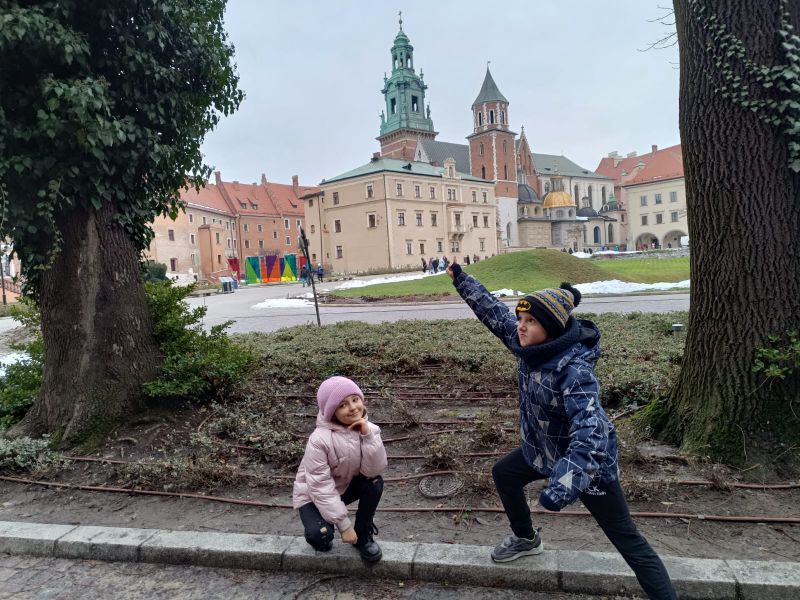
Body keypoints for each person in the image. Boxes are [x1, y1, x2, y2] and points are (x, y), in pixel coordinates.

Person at [445, 264, 677, 600]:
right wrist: (462, 280)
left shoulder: (574, 372)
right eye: (520, 318)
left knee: (628, 539)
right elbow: (493, 313)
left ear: (551, 328)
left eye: (530, 321)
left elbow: (591, 434)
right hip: (543, 451)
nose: (520, 326)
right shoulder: (528, 346)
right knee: (504, 474)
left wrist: (564, 484)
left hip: (587, 470)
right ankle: (527, 539)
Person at [292, 376, 387, 562]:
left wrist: (367, 436)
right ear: (332, 412)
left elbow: (373, 470)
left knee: (375, 482)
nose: (352, 407)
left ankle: (363, 535)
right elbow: (320, 486)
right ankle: (321, 528)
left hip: (342, 487)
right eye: (343, 405)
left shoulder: (369, 429)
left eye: (355, 399)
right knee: (321, 536)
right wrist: (344, 526)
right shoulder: (319, 440)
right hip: (313, 495)